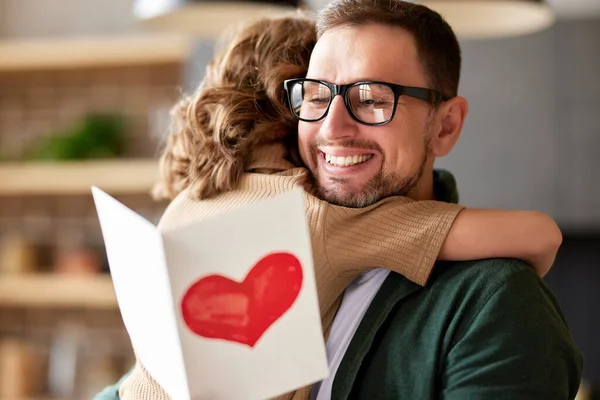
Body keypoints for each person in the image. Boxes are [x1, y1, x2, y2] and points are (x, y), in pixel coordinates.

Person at [94, 3, 581, 400]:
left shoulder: (494, 304)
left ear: (446, 125)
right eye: (314, 95)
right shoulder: (286, 224)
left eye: (371, 97)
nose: (332, 128)